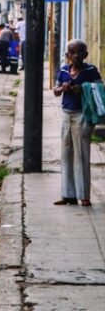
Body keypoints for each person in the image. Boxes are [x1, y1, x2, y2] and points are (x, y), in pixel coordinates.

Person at [53, 39, 99, 207]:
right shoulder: (64, 70)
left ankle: (84, 195)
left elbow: (99, 89)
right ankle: (68, 194)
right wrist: (62, 88)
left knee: (82, 154)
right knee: (66, 154)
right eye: (72, 53)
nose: (76, 56)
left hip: (83, 115)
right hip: (66, 114)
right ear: (67, 56)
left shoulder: (91, 70)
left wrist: (83, 88)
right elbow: (55, 91)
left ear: (85, 55)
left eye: (80, 53)